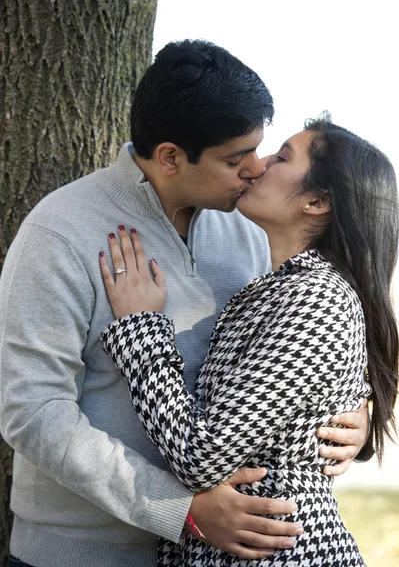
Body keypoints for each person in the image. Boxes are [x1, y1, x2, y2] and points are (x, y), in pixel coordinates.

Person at [0, 41, 369, 567]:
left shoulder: (250, 228)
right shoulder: (59, 232)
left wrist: (344, 411)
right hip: (82, 553)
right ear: (171, 156)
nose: (256, 168)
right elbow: (32, 412)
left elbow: (278, 362)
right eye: (236, 159)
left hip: (208, 555)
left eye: (261, 151)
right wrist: (180, 509)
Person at [99, 115, 398, 566]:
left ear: (317, 201)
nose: (258, 167)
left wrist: (141, 328)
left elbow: (201, 455)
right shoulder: (279, 287)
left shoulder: (315, 298)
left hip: (277, 550)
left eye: (281, 157)